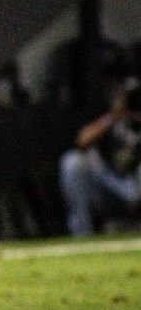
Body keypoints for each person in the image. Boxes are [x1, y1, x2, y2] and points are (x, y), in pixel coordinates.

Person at [58, 86, 141, 236]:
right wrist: (112, 117)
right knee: (72, 161)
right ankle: (82, 235)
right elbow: (82, 141)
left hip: (135, 185)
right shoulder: (104, 111)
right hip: (107, 186)